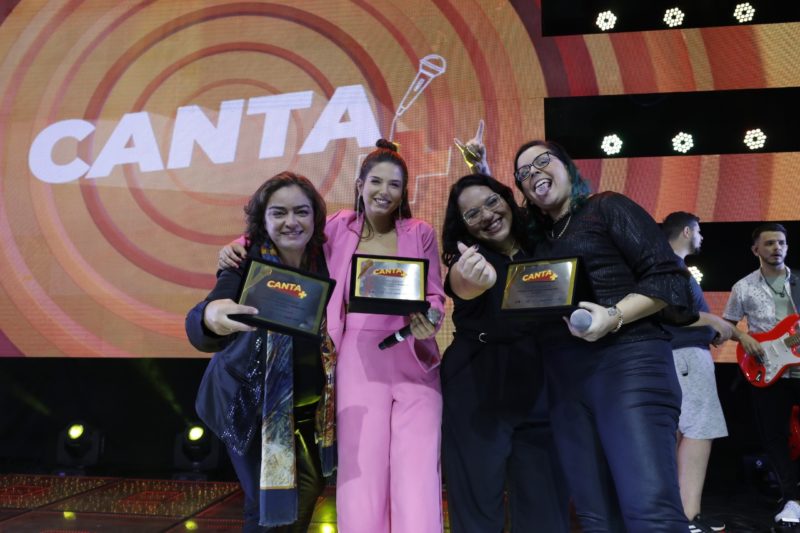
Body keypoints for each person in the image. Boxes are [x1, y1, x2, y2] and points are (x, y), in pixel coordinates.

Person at [219, 140, 445, 533]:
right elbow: (287, 233)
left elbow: (434, 294)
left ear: (404, 191)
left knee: (418, 469)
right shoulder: (339, 226)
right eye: (376, 181)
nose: (384, 192)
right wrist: (237, 247)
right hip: (355, 357)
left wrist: (433, 315)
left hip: (411, 354)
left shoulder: (420, 232)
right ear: (359, 184)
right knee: (361, 472)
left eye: (395, 185)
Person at [511, 140, 697, 532]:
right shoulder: (541, 244)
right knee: (596, 520)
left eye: (542, 162)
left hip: (629, 363)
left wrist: (613, 316)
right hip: (566, 384)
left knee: (650, 513)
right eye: (523, 174)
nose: (533, 174)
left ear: (567, 166)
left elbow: (669, 280)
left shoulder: (606, 206)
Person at [186, 172, 336, 532]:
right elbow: (204, 317)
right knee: (265, 502)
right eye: (278, 213)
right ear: (262, 219)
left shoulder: (328, 261)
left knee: (309, 488)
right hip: (248, 405)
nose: (290, 222)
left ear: (315, 217)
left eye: (301, 211)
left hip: (310, 409)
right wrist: (211, 318)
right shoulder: (243, 262)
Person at [440, 172, 570, 532]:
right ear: (463, 226)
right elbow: (461, 285)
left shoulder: (540, 245)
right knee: (478, 509)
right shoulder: (470, 261)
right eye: (471, 214)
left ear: (508, 200)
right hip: (477, 390)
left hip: (539, 388)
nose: (486, 215)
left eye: (492, 202)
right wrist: (470, 280)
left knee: (545, 508)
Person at [722, 223, 800, 524]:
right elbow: (726, 324)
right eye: (768, 243)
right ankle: (792, 497)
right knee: (774, 438)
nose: (776, 248)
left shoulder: (798, 282)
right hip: (767, 371)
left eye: (781, 242)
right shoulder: (743, 287)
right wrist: (743, 337)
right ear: (756, 249)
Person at [662, 211, 733, 532]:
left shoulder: (666, 265)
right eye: (700, 231)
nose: (702, 237)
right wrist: (715, 322)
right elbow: (675, 313)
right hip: (686, 356)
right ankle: (688, 519)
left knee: (679, 433)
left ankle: (677, 516)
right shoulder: (670, 266)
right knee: (698, 430)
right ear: (688, 232)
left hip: (679, 356)